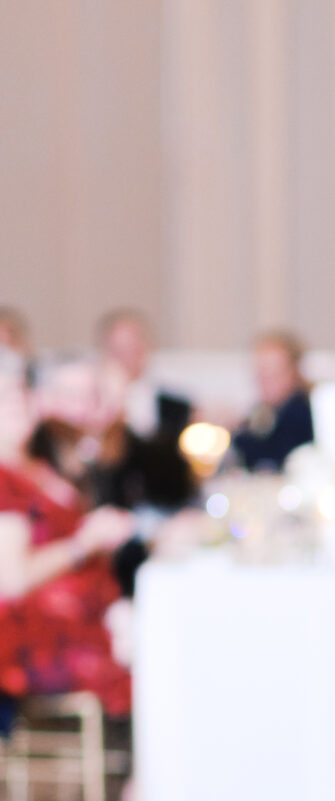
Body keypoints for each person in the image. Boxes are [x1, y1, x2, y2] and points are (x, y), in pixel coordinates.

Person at [0, 372, 134, 723]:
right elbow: (12, 580)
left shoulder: (40, 465)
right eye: (4, 399)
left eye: (20, 395)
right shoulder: (4, 481)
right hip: (38, 635)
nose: (17, 407)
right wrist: (83, 544)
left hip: (90, 612)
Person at [91, 309, 194, 514]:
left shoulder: (179, 408)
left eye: (133, 348)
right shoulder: (91, 411)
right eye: (118, 350)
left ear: (147, 348)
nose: (126, 358)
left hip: (171, 512)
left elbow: (183, 477)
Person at [231, 331, 314, 474]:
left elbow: (271, 456)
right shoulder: (266, 411)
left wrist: (236, 432)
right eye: (260, 373)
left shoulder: (302, 413)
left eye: (273, 373)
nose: (264, 381)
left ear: (293, 372)